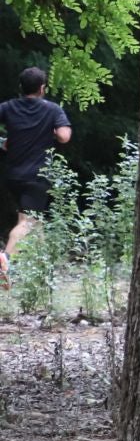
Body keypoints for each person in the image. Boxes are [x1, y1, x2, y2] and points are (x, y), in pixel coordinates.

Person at [0, 67, 73, 284]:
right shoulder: (52, 110)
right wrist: (51, 131)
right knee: (26, 223)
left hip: (12, 175)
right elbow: (64, 136)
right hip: (37, 175)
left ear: (21, 87)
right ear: (43, 88)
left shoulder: (7, 107)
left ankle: (44, 274)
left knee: (36, 222)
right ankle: (5, 260)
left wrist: (3, 142)